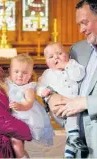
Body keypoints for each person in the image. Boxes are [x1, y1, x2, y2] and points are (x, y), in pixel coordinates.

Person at [46, 0, 97, 158]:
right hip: (79, 149)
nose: (81, 29)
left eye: (85, 22)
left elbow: (81, 102)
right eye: (78, 24)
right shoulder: (77, 49)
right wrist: (51, 98)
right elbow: (57, 79)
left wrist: (86, 102)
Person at [37, 42, 88, 158]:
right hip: (61, 104)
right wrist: (42, 92)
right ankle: (74, 138)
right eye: (51, 57)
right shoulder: (47, 73)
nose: (56, 57)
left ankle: (69, 153)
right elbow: (39, 86)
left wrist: (67, 65)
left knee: (73, 126)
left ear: (68, 55)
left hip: (75, 102)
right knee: (71, 123)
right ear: (47, 63)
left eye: (60, 53)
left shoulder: (72, 64)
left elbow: (79, 75)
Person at [5, 53, 54, 158]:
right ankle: (22, 155)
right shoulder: (8, 82)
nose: (20, 75)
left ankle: (22, 156)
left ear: (30, 74)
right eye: (16, 71)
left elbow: (29, 103)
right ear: (10, 71)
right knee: (14, 141)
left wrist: (21, 106)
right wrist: (0, 76)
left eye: (24, 73)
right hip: (11, 116)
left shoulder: (28, 88)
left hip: (26, 117)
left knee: (17, 140)